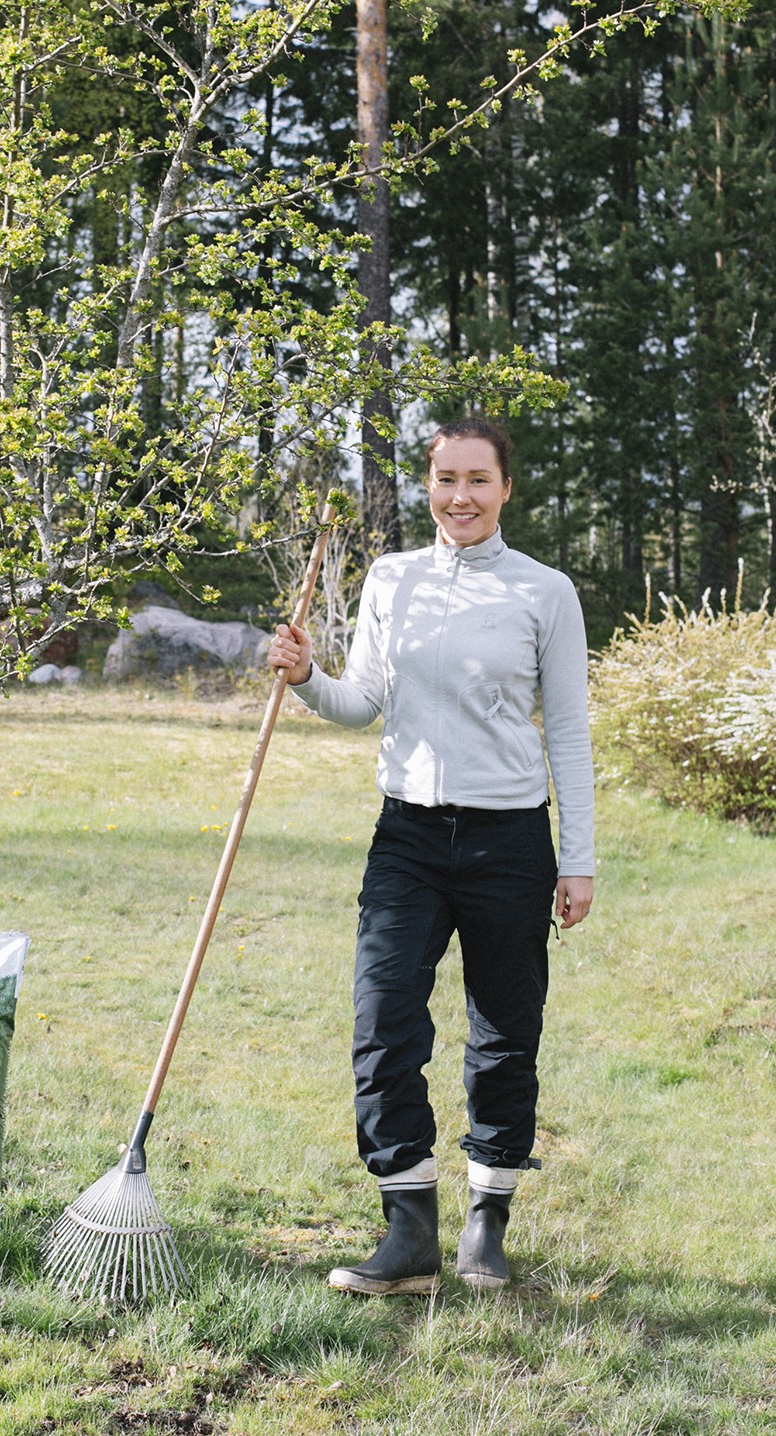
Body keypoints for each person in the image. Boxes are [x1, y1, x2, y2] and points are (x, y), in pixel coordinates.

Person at [268, 416, 594, 1295]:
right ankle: (408, 1233)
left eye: (478, 480)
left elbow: (566, 729)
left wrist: (579, 857)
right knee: (383, 1027)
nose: (461, 496)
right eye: (446, 479)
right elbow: (360, 700)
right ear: (427, 486)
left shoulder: (544, 591)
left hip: (511, 839)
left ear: (505, 489)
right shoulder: (394, 579)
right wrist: (305, 681)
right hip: (407, 835)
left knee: (504, 1034)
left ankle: (487, 1228)